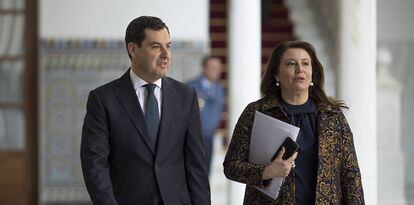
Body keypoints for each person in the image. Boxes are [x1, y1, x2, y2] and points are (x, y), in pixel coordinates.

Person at [80, 16, 210, 205]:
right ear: (132, 49)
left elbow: (196, 165)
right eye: (156, 46)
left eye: (169, 46)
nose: (166, 54)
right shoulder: (103, 99)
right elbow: (94, 165)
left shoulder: (186, 96)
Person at [223, 40, 364, 204]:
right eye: (291, 64)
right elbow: (231, 167)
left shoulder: (332, 116)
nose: (300, 69)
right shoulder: (257, 112)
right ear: (276, 74)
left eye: (305, 63)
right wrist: (267, 171)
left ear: (312, 72)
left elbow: (350, 174)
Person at [187, 56, 225, 176]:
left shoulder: (219, 88)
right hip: (192, 138)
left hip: (209, 138)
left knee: (206, 173)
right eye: (213, 67)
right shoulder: (190, 86)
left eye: (218, 68)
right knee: (191, 173)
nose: (216, 71)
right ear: (204, 68)